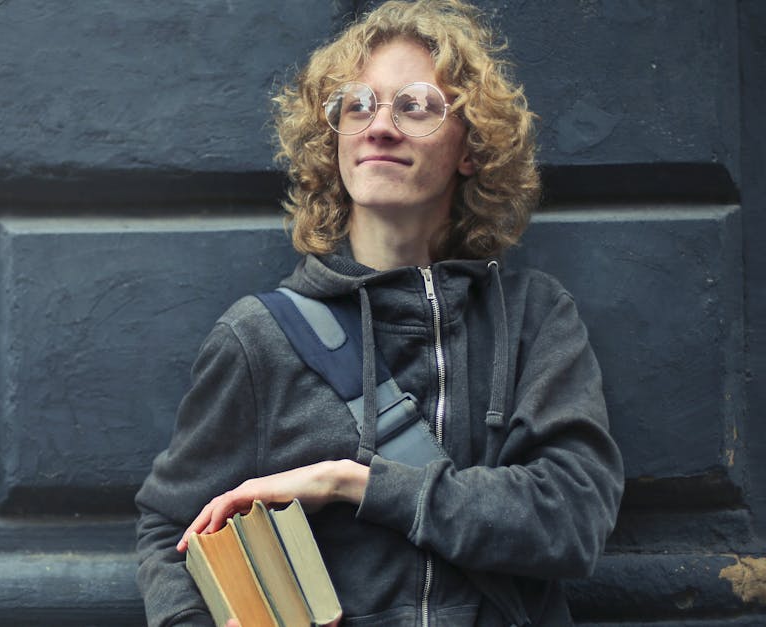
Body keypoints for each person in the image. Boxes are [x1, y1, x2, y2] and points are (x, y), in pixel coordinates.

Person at [134, 0, 625, 625]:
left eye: (415, 105)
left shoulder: (532, 319)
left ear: (471, 147)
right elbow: (170, 532)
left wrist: (354, 484)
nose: (380, 126)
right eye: (357, 105)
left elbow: (572, 521)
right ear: (333, 139)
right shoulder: (260, 337)